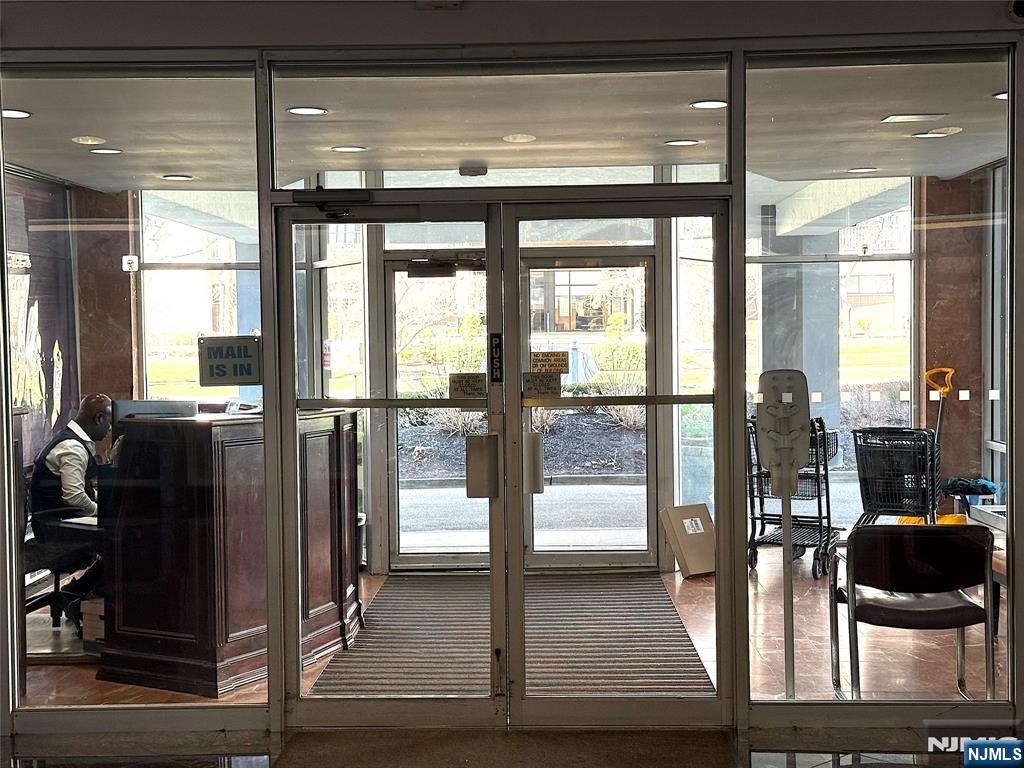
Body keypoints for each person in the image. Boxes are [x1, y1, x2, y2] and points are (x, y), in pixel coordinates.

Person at [29, 393, 112, 605]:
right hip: (57, 527)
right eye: (109, 422)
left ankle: (77, 591)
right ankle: (85, 599)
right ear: (99, 418)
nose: (110, 430)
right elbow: (74, 497)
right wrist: (100, 511)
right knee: (120, 541)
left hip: (55, 520)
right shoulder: (73, 447)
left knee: (118, 537)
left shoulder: (70, 440)